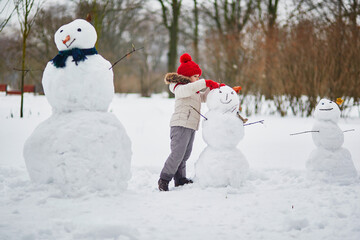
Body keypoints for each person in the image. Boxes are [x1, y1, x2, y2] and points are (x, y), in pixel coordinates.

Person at [158, 53, 223, 191]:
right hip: (180, 124)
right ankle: (164, 179)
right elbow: (187, 90)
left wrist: (214, 88)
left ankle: (180, 179)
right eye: (195, 76)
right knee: (177, 154)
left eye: (199, 76)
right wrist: (205, 82)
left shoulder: (194, 90)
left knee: (185, 155)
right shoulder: (178, 87)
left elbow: (203, 98)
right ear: (187, 76)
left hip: (191, 125)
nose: (198, 79)